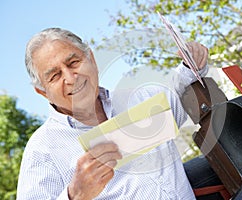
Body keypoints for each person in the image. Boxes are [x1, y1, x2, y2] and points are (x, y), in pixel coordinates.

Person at [17, 27, 219, 199]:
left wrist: (193, 60)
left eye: (73, 63)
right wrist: (75, 195)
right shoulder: (42, 150)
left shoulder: (140, 100)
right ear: (43, 92)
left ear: (91, 60)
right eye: (55, 75)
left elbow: (181, 85)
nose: (71, 78)